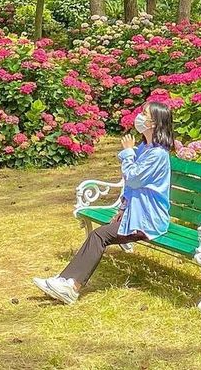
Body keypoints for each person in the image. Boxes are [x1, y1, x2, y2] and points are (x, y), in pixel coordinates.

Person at [33, 100, 173, 305]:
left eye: (145, 114)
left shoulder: (158, 154)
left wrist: (127, 153)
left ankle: (72, 287)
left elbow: (133, 177)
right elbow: (132, 187)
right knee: (99, 236)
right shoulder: (145, 148)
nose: (140, 117)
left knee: (99, 236)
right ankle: (64, 281)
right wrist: (123, 209)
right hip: (136, 214)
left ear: (155, 123)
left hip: (149, 219)